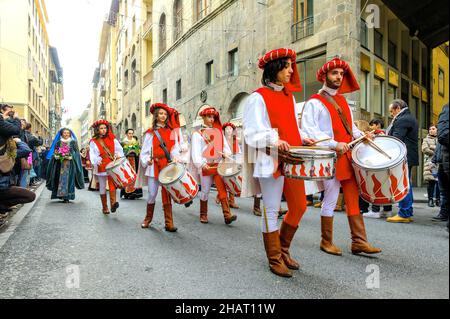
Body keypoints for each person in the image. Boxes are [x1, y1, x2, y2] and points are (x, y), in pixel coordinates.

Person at [243, 48, 316, 278]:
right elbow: (252, 132)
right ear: (274, 69)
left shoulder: (288, 95)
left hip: (292, 157)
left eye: (291, 66)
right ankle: (274, 257)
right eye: (286, 67)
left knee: (300, 206)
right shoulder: (257, 97)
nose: (291, 71)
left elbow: (291, 125)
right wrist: (275, 140)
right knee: (272, 209)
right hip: (270, 158)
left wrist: (303, 137)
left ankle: (283, 249)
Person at [301, 57, 381, 256]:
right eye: (334, 73)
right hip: (330, 157)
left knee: (353, 196)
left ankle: (359, 242)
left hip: (347, 156)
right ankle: (325, 241)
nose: (338, 77)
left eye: (341, 74)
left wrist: (362, 136)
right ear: (324, 76)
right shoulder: (314, 102)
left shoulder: (342, 100)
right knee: (331, 198)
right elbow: (310, 131)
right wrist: (334, 144)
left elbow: (350, 128)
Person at [137, 103, 182, 232]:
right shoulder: (150, 133)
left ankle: (169, 223)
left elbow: (174, 149)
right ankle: (147, 219)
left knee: (167, 193)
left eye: (165, 114)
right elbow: (144, 153)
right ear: (156, 116)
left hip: (167, 166)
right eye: (160, 114)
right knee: (152, 193)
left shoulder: (170, 131)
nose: (163, 116)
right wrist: (147, 161)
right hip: (154, 166)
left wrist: (175, 157)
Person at [191, 106, 237, 225]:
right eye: (209, 117)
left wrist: (225, 154)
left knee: (222, 189)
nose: (212, 119)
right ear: (203, 118)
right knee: (205, 191)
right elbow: (195, 152)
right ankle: (203, 214)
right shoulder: (197, 134)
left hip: (218, 165)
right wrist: (201, 164)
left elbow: (227, 149)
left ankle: (227, 215)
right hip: (206, 165)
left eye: (213, 117)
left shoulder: (219, 133)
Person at [386, 99, 419, 223]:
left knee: (403, 184)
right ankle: (406, 211)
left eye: (391, 111)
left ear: (398, 108)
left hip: (403, 157)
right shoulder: (409, 117)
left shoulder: (403, 119)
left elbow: (396, 139)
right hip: (408, 156)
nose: (391, 114)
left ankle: (404, 213)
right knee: (406, 183)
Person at [0, 104, 36, 219]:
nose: (22, 124)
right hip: (16, 155)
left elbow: (28, 149)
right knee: (22, 172)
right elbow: (14, 130)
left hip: (26, 155)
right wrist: (15, 120)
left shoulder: (26, 134)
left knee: (28, 168)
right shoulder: (21, 133)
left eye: (24, 123)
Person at [89, 120, 124, 215]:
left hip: (112, 164)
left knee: (112, 184)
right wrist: (96, 160)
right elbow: (92, 154)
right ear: (97, 130)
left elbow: (119, 150)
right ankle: (105, 207)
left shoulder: (113, 139)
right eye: (101, 128)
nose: (104, 130)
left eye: (105, 128)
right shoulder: (93, 141)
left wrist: (118, 155)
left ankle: (113, 204)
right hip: (101, 164)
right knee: (103, 186)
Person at [360, 119, 393, 218]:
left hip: (377, 163)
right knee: (386, 186)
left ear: (377, 125)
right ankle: (387, 210)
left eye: (372, 125)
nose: (370, 127)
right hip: (385, 163)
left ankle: (375, 211)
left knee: (376, 185)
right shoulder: (386, 134)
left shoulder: (378, 135)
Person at [45, 128, 85, 202]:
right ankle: (60, 195)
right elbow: (55, 151)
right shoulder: (58, 142)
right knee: (58, 179)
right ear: (62, 134)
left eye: (67, 133)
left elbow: (76, 153)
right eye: (64, 133)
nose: (66, 134)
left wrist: (71, 155)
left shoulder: (73, 142)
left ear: (70, 134)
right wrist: (56, 155)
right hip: (59, 165)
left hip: (70, 164)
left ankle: (67, 197)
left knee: (69, 180)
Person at [216, 122, 241, 209]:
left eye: (230, 129)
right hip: (223, 161)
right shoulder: (221, 139)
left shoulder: (235, 140)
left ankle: (231, 201)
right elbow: (218, 150)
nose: (229, 130)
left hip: (232, 162)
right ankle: (220, 195)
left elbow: (238, 151)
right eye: (227, 129)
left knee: (231, 178)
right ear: (224, 130)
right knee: (224, 180)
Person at [435, 104, 449, 229]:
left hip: (444, 158)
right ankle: (444, 213)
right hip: (445, 159)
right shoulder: (447, 109)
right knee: (444, 191)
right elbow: (443, 135)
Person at [121, 129, 143, 200]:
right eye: (129, 133)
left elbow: (138, 151)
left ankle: (134, 193)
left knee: (135, 176)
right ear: (126, 134)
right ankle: (127, 193)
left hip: (134, 160)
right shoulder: (123, 142)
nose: (131, 135)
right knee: (127, 176)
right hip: (127, 161)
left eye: (132, 133)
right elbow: (121, 153)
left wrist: (136, 151)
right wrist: (127, 152)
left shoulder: (135, 142)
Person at [422, 125, 440, 208]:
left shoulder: (441, 139)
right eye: (430, 129)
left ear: (437, 130)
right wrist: (437, 152)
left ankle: (438, 200)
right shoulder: (426, 139)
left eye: (433, 129)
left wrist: (432, 148)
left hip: (440, 163)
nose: (431, 130)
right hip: (430, 163)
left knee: (439, 182)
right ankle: (430, 200)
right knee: (431, 182)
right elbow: (425, 149)